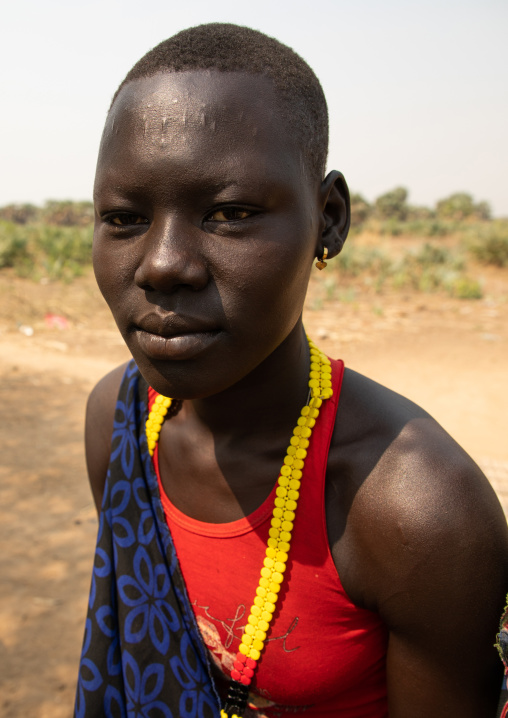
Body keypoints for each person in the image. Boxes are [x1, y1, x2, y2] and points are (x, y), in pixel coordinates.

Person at [75, 23, 508, 718]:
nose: (161, 265)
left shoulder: (416, 512)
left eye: (230, 213)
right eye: (124, 219)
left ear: (328, 219)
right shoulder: (120, 425)